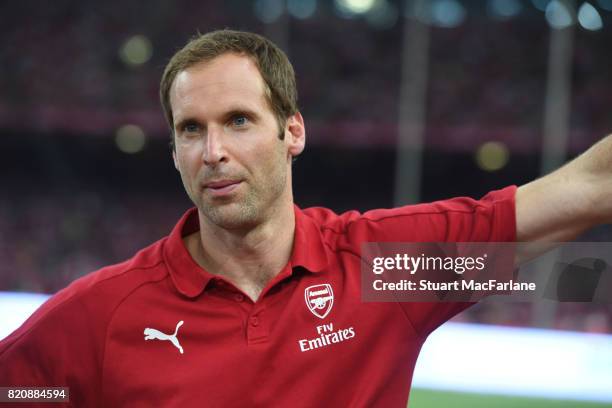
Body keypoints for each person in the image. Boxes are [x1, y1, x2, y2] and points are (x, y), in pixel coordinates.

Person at [0, 29, 610, 407]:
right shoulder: (102, 317)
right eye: (192, 129)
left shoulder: (386, 271)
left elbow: (586, 189)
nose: (214, 151)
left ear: (293, 131)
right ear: (175, 153)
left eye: (238, 120)